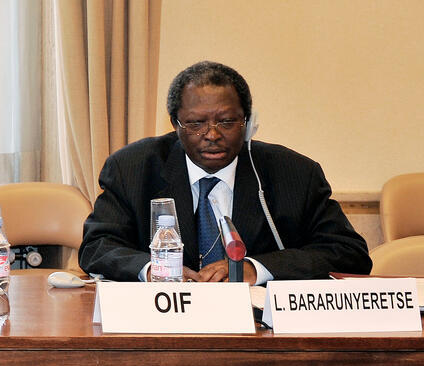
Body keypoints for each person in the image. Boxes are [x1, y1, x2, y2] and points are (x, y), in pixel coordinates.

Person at [79, 61, 371, 283]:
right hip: (163, 322)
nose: (212, 135)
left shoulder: (294, 174)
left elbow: (348, 252)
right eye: (196, 123)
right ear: (175, 124)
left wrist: (256, 269)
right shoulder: (132, 168)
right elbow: (97, 247)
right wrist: (152, 269)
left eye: (227, 121)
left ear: (248, 123)